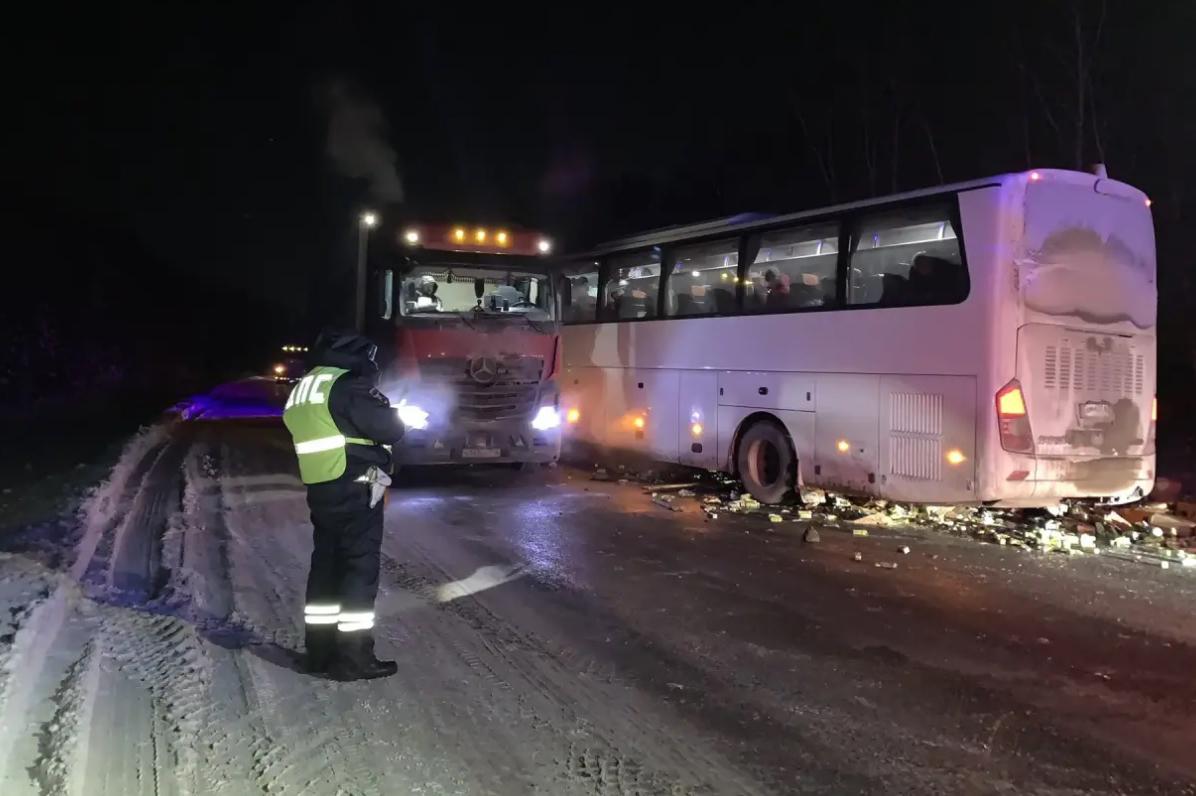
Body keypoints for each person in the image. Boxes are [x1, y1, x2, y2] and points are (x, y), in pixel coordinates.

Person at [282, 330, 406, 680]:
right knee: (358, 570)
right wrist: (392, 413)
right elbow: (390, 429)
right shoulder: (348, 386)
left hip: (322, 487)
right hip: (356, 485)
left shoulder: (305, 386)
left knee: (325, 569)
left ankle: (320, 653)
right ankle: (353, 659)